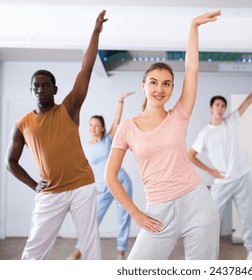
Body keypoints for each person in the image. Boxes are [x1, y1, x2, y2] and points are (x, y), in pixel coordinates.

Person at [105, 11, 222, 260]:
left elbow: (191, 70)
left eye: (166, 83)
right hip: (158, 210)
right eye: (154, 82)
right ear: (143, 86)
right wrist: (135, 213)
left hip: (198, 204)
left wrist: (193, 27)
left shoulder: (179, 115)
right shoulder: (127, 127)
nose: (160, 88)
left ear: (172, 88)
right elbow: (110, 176)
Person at [4, 10, 107, 260]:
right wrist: (33, 185)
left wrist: (95, 32)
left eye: (45, 85)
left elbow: (87, 68)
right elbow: (10, 162)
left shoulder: (69, 108)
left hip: (82, 186)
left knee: (91, 248)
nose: (40, 89)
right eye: (35, 86)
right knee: (34, 250)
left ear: (55, 89)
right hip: (50, 192)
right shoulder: (22, 125)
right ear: (31, 91)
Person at [188, 82, 252, 260]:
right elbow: (190, 155)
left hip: (242, 177)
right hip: (222, 182)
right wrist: (209, 170)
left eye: (223, 106)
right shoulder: (205, 134)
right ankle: (208, 255)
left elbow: (249, 99)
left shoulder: (230, 122)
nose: (220, 109)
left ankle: (251, 252)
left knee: (246, 216)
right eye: (217, 106)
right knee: (212, 219)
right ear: (211, 108)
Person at [68, 92, 134, 260]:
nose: (93, 128)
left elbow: (116, 121)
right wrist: (92, 188)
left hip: (121, 182)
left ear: (102, 128)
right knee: (92, 222)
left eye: (97, 125)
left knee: (123, 217)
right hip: (103, 188)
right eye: (91, 125)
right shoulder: (85, 148)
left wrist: (120, 101)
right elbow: (85, 170)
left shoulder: (108, 140)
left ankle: (121, 254)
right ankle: (78, 251)